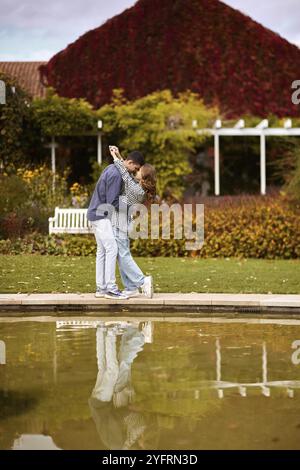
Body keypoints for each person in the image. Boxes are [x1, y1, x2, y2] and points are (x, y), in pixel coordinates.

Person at [87, 151, 145, 300]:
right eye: (136, 168)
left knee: (102, 251)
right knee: (112, 249)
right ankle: (111, 289)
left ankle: (101, 288)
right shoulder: (117, 175)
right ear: (130, 163)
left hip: (95, 213)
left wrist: (117, 155)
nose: (135, 171)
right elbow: (112, 202)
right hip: (102, 215)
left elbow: (123, 168)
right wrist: (132, 207)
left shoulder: (112, 168)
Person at [109, 146, 156, 298]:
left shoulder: (138, 191)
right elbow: (127, 168)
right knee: (122, 254)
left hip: (121, 223)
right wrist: (118, 154)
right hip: (123, 222)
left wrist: (115, 157)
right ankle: (130, 287)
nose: (136, 171)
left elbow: (124, 172)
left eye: (139, 171)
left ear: (144, 177)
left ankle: (142, 281)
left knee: (122, 255)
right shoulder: (138, 187)